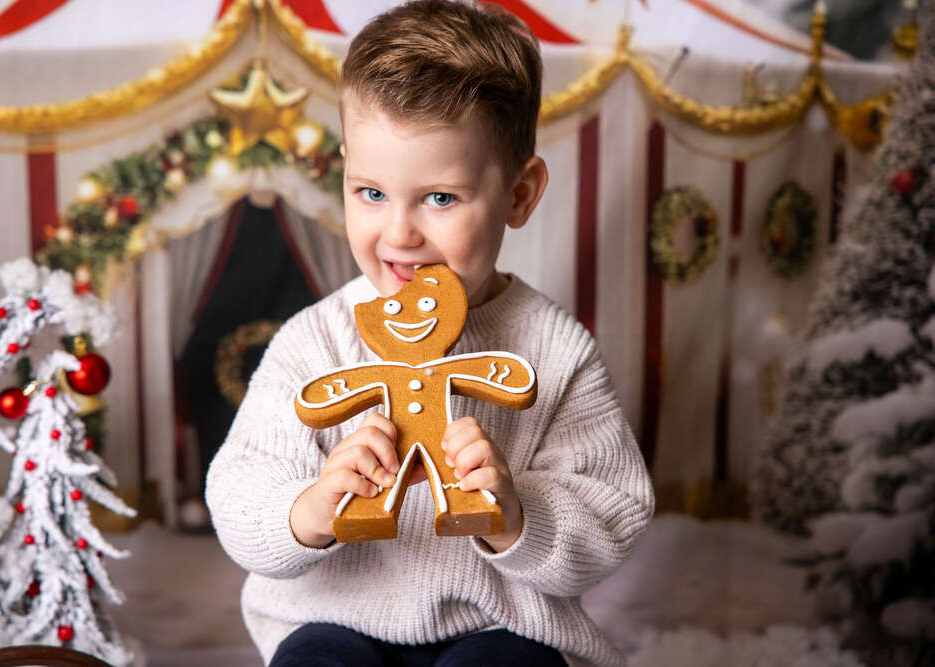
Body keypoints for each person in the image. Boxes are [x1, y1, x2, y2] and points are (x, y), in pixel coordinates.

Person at [205, 2, 654, 665]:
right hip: (336, 619)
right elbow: (239, 490)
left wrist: (516, 512)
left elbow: (612, 512)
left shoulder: (554, 351)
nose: (399, 234)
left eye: (440, 198)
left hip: (500, 627)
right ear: (345, 172)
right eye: (371, 193)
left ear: (520, 195)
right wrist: (311, 507)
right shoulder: (316, 342)